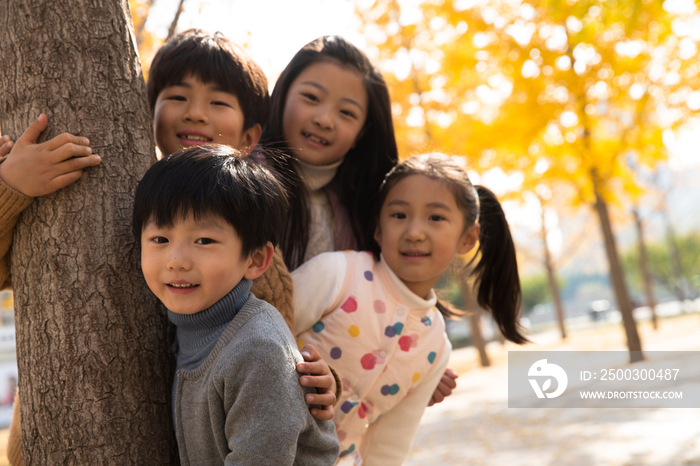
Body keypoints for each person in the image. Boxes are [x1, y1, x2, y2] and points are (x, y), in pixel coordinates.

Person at [1, 29, 334, 465]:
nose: (196, 113)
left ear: (250, 137)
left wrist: (321, 383)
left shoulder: (250, 243)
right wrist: (11, 187)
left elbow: (275, 364)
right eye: (177, 96)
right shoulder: (117, 193)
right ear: (146, 111)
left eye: (219, 102)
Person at [291, 154, 528, 465]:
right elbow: (260, 330)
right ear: (378, 228)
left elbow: (388, 445)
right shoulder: (338, 274)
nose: (414, 231)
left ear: (468, 238)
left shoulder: (435, 348)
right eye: (399, 215)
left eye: (435, 218)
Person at [261, 35, 457, 406]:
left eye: (346, 112)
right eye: (311, 98)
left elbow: (377, 302)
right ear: (283, 93)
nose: (324, 119)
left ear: (361, 134)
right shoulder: (241, 183)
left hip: (330, 413)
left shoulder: (365, 210)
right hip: (257, 382)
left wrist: (411, 365)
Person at [132, 144, 340, 465]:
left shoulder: (256, 349)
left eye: (204, 241)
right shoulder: (186, 323)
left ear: (256, 259)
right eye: (160, 239)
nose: (176, 261)